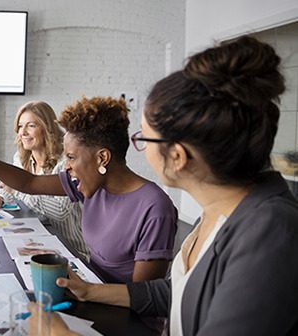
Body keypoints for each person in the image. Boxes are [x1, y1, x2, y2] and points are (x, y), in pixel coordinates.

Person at [30, 36, 298, 335]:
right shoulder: (220, 211)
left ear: (177, 155)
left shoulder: (271, 230)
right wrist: (90, 291)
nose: (138, 147)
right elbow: (179, 291)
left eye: (144, 138)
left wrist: (60, 333)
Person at [0, 96, 178, 283]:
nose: (66, 165)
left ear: (102, 158)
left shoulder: (155, 208)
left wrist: (82, 289)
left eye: (71, 157)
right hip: (90, 286)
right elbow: (29, 183)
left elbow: (143, 297)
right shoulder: (88, 183)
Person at [0, 101, 89, 261]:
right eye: (20, 126)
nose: (23, 132)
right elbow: (12, 192)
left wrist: (17, 188)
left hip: (70, 250)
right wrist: (1, 199)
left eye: (31, 126)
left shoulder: (66, 162)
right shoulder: (21, 157)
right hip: (39, 240)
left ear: (47, 129)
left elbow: (61, 211)